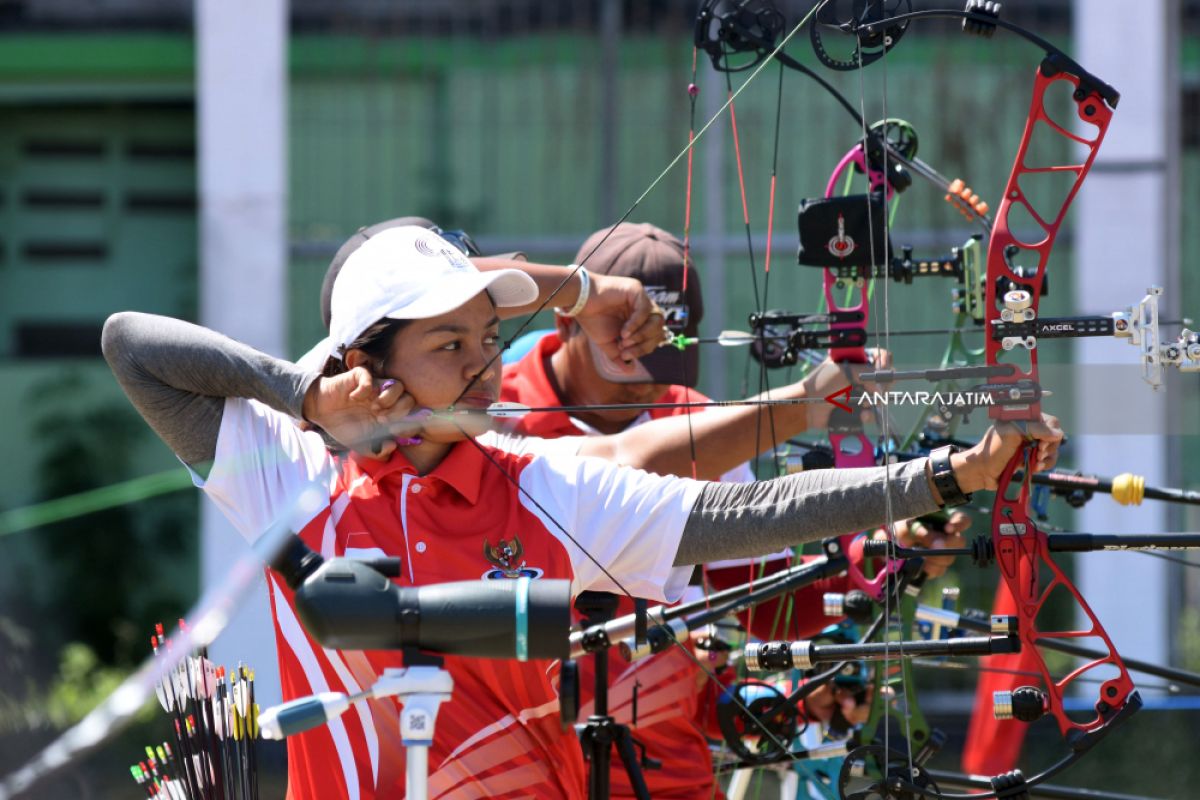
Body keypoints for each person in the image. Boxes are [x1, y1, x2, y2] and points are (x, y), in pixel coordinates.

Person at [102, 224, 1062, 800]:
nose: (481, 364)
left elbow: (749, 513)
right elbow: (132, 346)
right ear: (367, 362)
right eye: (449, 343)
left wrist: (946, 476)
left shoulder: (540, 481)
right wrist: (307, 399)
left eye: (487, 337)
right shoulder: (286, 470)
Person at [499, 222, 965, 797]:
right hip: (515, 756)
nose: (650, 382)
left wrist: (876, 561)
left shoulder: (700, 422)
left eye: (665, 353)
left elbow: (759, 601)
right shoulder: (494, 414)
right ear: (568, 320)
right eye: (628, 354)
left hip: (661, 764)